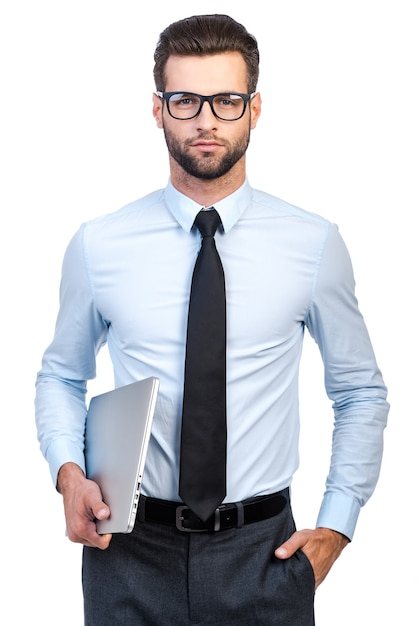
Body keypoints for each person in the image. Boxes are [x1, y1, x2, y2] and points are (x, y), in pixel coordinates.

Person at [35, 13, 389, 625]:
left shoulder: (314, 244)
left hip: (264, 556)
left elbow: (360, 392)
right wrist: (69, 472)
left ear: (254, 109)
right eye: (185, 100)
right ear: (157, 109)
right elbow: (61, 375)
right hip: (127, 551)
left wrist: (337, 524)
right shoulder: (100, 244)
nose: (205, 120)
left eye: (226, 100)